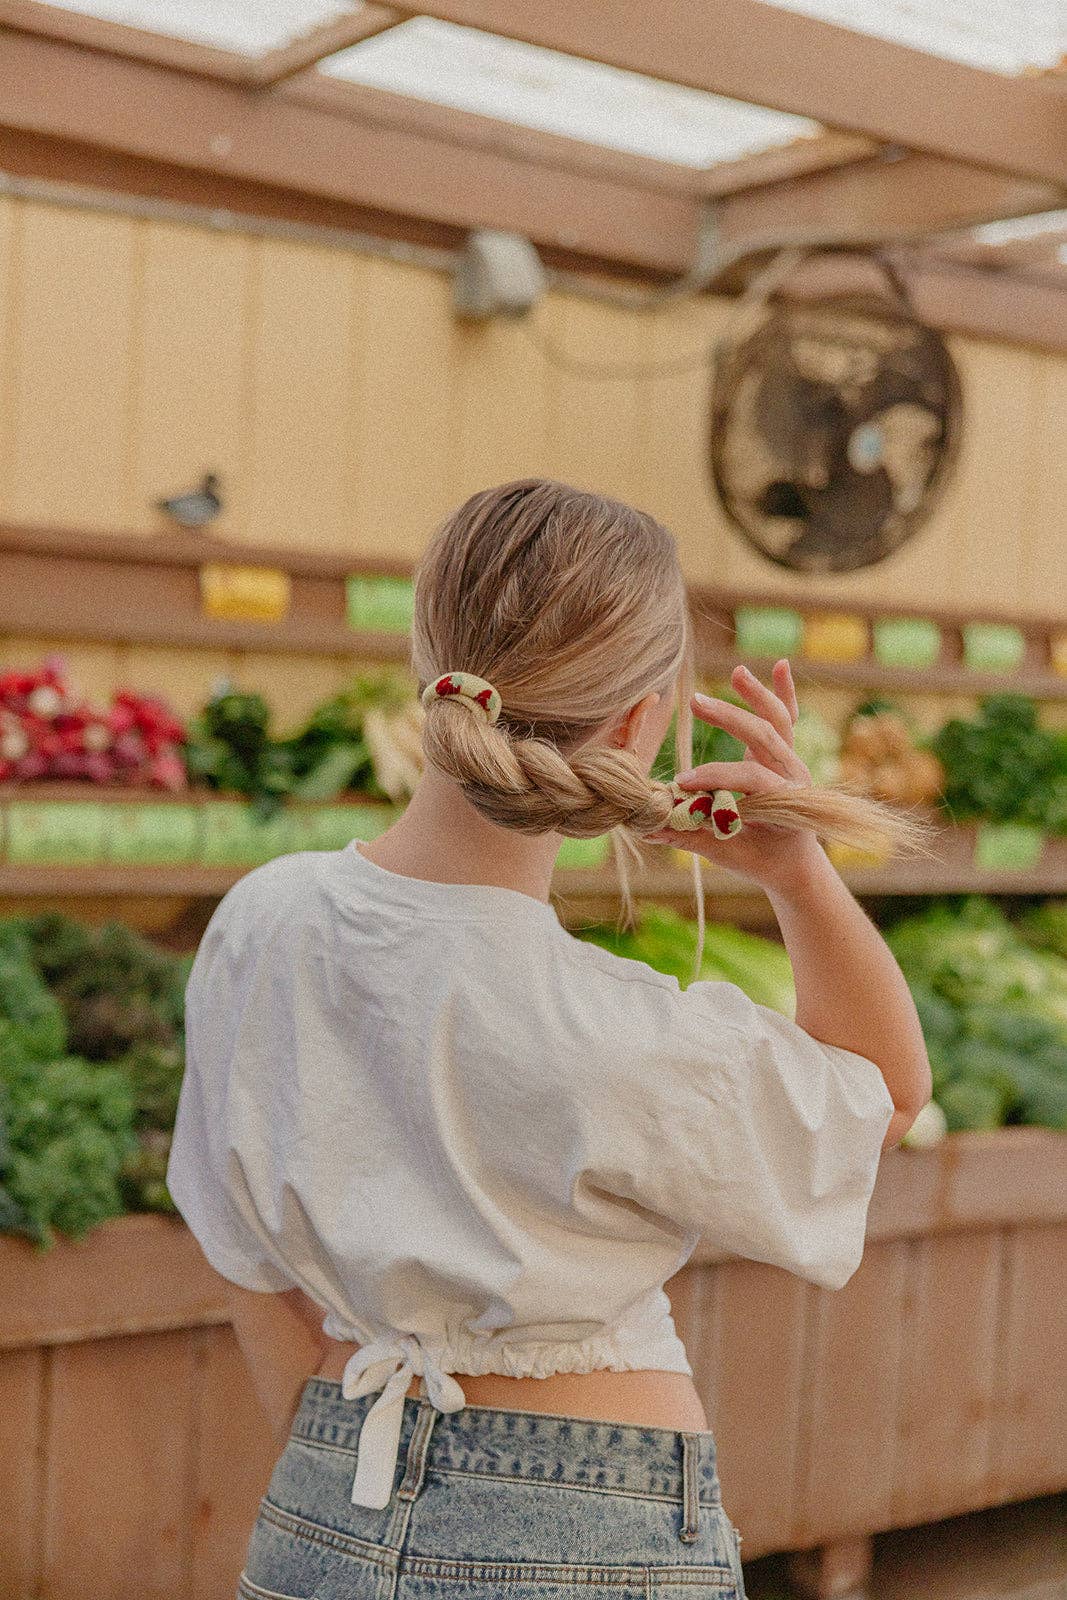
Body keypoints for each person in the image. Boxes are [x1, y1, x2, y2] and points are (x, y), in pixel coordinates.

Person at [166, 479, 933, 1598]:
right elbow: (886, 1095)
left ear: (425, 658)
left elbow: (236, 1252)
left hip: (322, 1505)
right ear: (637, 723)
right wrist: (797, 874)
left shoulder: (261, 922)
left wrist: (340, 1468)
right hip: (587, 1527)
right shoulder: (620, 1024)